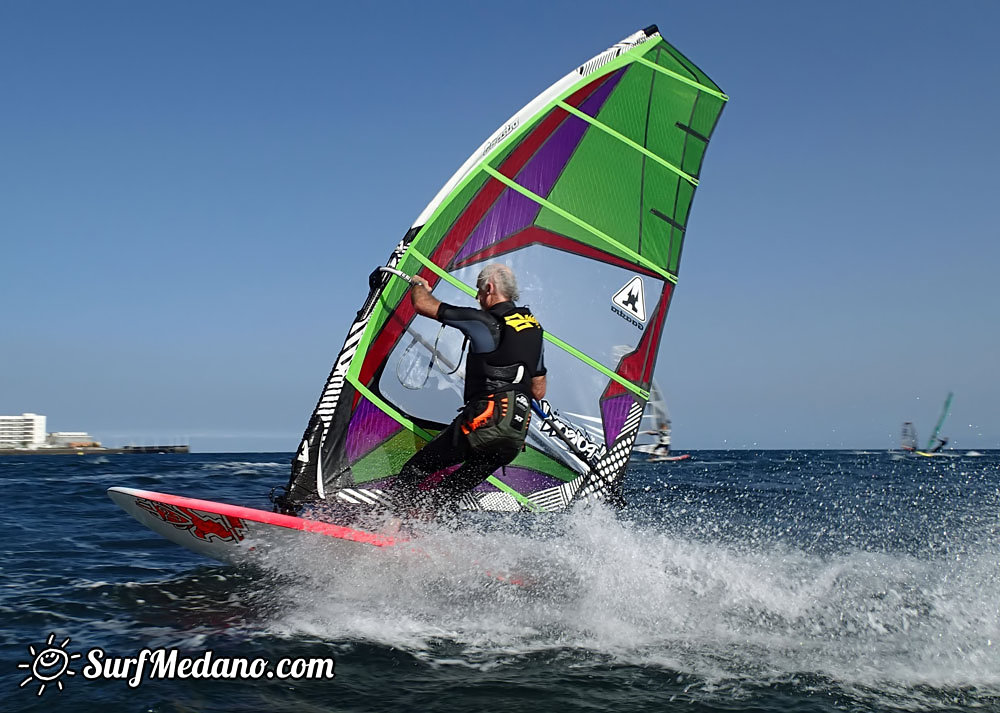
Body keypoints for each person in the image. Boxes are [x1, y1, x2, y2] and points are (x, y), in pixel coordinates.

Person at [391, 263, 546, 518]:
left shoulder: (484, 322)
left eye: (478, 290)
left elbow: (423, 305)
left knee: (416, 470)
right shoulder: (534, 329)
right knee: (449, 491)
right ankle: (433, 536)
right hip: (514, 435)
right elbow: (538, 390)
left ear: (489, 287)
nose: (477, 297)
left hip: (484, 421)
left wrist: (419, 285)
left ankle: (388, 527)